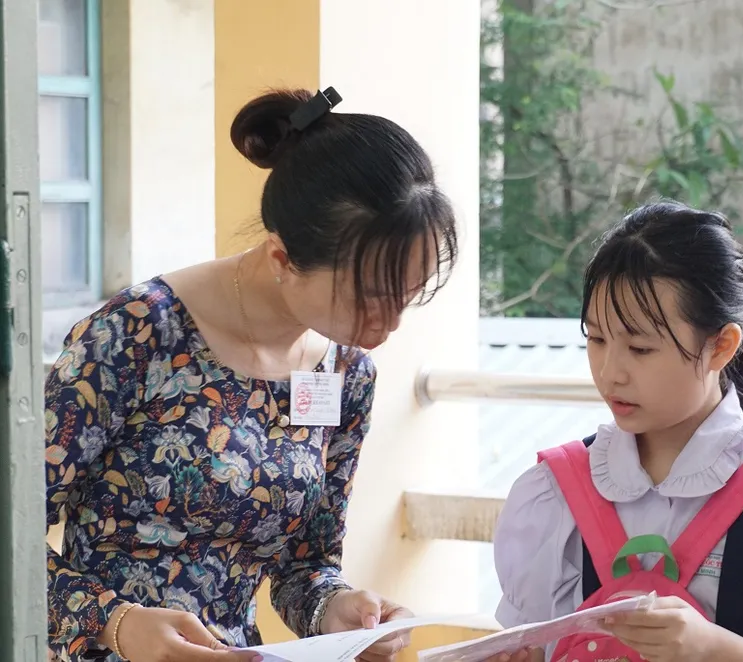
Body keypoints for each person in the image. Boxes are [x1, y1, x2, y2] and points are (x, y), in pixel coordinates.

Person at [45, 86, 458, 662]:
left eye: (406, 297)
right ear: (282, 259)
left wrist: (338, 611)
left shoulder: (345, 373)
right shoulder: (138, 333)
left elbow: (304, 567)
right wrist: (116, 623)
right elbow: (9, 535)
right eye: (368, 298)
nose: (386, 326)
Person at [492, 201, 743, 662]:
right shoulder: (553, 492)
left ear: (721, 346)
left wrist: (712, 647)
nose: (610, 372)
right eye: (597, 339)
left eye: (640, 348)